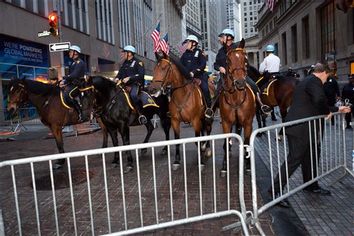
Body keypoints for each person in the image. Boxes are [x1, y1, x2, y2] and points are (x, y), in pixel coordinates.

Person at [270, 63, 351, 208]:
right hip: (300, 129)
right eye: (328, 76)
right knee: (294, 160)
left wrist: (337, 108)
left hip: (307, 129)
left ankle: (311, 185)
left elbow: (314, 104)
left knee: (312, 156)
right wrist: (327, 112)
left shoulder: (307, 81)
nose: (327, 80)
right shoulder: (314, 81)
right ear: (323, 72)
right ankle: (274, 190)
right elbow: (319, 101)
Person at [214, 28, 271, 114]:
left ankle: (261, 104)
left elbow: (245, 61)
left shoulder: (237, 47)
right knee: (217, 91)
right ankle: (212, 109)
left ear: (229, 37)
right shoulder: (220, 51)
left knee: (254, 86)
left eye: (223, 36)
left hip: (239, 74)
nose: (221, 39)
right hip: (226, 77)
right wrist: (219, 68)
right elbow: (216, 64)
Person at [180, 35, 213, 118]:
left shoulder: (199, 52)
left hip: (200, 76)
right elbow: (180, 65)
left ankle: (208, 108)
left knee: (205, 89)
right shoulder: (184, 54)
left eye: (188, 42)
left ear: (194, 43)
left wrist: (194, 72)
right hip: (187, 78)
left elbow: (203, 65)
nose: (186, 44)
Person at [115, 45, 147, 125]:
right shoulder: (124, 63)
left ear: (129, 53)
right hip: (124, 85)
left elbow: (141, 75)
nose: (123, 54)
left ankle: (141, 114)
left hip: (135, 84)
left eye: (124, 52)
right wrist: (116, 78)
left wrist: (130, 78)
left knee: (133, 95)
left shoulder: (138, 62)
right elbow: (119, 74)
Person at [60, 45, 86, 122]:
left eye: (71, 51)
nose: (69, 53)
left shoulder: (80, 63)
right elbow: (70, 76)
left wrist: (65, 77)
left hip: (78, 85)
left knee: (67, 94)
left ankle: (80, 112)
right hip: (72, 84)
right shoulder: (73, 63)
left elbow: (75, 75)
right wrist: (63, 82)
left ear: (75, 52)